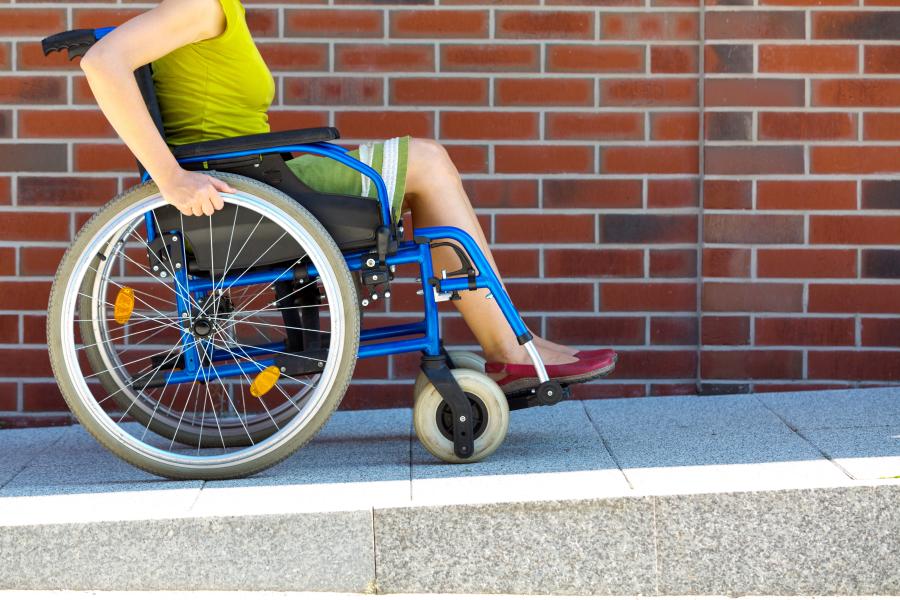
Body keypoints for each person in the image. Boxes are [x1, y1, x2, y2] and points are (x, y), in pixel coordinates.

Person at [79, 0, 616, 394]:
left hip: (259, 176)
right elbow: (101, 63)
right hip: (249, 187)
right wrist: (170, 179)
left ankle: (510, 344)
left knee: (424, 167)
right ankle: (510, 348)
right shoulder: (198, 7)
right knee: (426, 161)